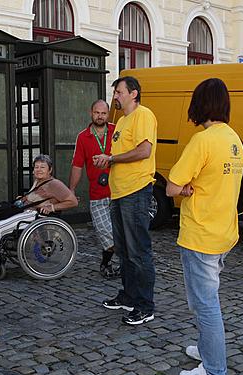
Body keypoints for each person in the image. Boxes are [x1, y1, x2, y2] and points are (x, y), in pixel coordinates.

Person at [166, 78, 243, 375]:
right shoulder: (233, 139)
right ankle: (207, 349)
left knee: (204, 304)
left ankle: (214, 372)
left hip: (200, 234)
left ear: (199, 104)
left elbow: (172, 186)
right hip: (224, 232)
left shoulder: (203, 140)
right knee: (206, 300)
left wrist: (184, 188)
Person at [94, 76, 157, 326]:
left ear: (133, 94)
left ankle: (145, 304)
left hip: (136, 191)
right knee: (124, 250)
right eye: (115, 92)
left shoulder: (144, 115)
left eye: (119, 92)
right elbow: (120, 154)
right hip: (119, 193)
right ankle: (129, 296)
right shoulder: (121, 121)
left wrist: (111, 159)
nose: (115, 96)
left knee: (139, 251)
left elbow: (144, 151)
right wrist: (108, 158)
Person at [0, 154, 77, 272]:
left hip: (35, 216)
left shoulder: (55, 184)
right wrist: (24, 199)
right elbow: (36, 199)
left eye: (42, 167)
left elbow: (73, 201)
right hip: (26, 212)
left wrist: (53, 207)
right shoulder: (38, 181)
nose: (38, 170)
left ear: (50, 170)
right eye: (36, 167)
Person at [69, 99, 119, 278]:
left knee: (120, 233)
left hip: (119, 192)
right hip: (97, 195)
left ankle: (107, 264)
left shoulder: (116, 131)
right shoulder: (83, 136)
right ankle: (107, 263)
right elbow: (77, 165)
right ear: (91, 113)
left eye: (103, 113)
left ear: (107, 114)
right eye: (97, 113)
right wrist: (71, 191)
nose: (100, 116)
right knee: (106, 232)